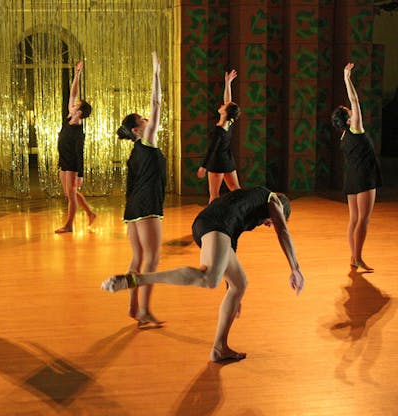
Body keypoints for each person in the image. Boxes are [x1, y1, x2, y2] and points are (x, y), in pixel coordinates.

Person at [102, 186, 305, 362]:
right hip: (216, 225)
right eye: (273, 221)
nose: (269, 224)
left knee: (239, 283)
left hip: (211, 224)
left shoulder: (251, 199)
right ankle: (138, 280)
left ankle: (219, 348)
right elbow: (283, 232)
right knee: (208, 279)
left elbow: (230, 241)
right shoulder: (273, 200)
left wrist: (232, 290)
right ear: (280, 207)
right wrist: (295, 268)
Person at [114, 51, 166, 326]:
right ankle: (144, 310)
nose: (148, 119)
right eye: (143, 119)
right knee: (152, 261)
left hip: (133, 207)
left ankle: (134, 307)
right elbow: (157, 103)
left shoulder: (135, 152)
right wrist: (156, 74)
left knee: (138, 259)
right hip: (147, 206)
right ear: (137, 130)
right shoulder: (146, 141)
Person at [331, 63, 382, 272]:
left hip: (351, 179)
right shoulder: (356, 129)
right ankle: (358, 257)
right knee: (363, 219)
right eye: (349, 111)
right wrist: (346, 78)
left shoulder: (344, 137)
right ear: (348, 119)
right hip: (364, 178)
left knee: (354, 219)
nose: (352, 110)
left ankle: (354, 257)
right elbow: (355, 99)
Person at [55, 61, 96, 233]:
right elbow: (73, 93)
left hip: (72, 164)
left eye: (76, 105)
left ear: (79, 112)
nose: (73, 104)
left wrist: (80, 175)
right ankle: (90, 213)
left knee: (71, 195)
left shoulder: (78, 131)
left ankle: (69, 225)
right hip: (63, 160)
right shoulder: (69, 117)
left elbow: (80, 154)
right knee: (69, 193)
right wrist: (77, 74)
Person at [197, 70, 241, 203]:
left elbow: (212, 150)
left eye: (224, 106)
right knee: (236, 189)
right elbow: (228, 101)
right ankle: (245, 212)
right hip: (228, 160)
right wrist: (228, 83)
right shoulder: (230, 121)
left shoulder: (219, 130)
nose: (222, 105)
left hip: (217, 163)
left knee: (214, 196)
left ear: (225, 112)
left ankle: (210, 221)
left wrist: (203, 167)